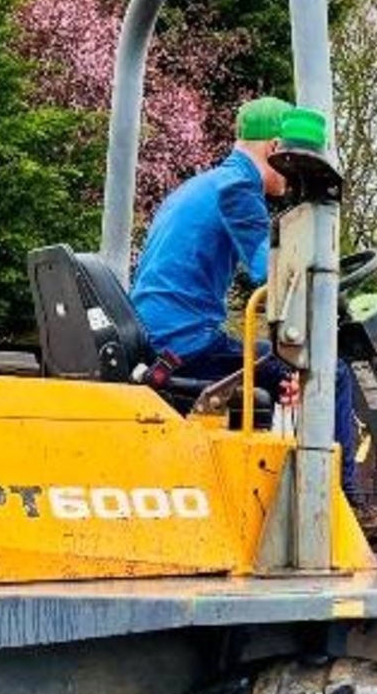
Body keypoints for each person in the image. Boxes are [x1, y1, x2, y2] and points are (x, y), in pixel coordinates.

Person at [130, 96, 361, 497]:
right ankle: (346, 509)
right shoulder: (238, 188)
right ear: (275, 148)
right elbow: (268, 272)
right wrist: (320, 280)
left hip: (161, 334)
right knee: (332, 371)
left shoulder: (198, 185)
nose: (288, 177)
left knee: (282, 371)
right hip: (187, 343)